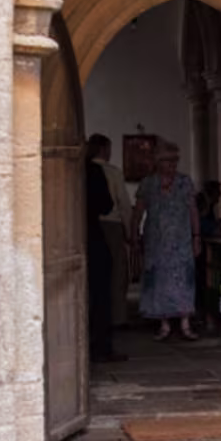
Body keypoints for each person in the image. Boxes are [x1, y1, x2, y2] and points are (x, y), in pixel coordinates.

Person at [132, 140, 200, 340]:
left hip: (181, 241)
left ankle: (185, 323)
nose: (172, 165)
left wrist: (197, 237)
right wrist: (134, 234)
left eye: (175, 160)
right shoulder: (148, 183)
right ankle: (164, 324)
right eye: (167, 160)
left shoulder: (184, 182)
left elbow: (193, 210)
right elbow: (138, 211)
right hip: (156, 241)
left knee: (182, 279)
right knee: (159, 279)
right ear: (157, 162)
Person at [87, 133, 132, 327]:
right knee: (117, 272)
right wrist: (129, 231)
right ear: (104, 149)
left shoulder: (82, 170)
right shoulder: (112, 172)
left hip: (89, 225)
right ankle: (118, 317)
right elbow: (123, 203)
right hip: (111, 224)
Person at [85, 145, 124, 362]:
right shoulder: (94, 172)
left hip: (72, 232)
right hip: (94, 233)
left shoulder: (81, 170)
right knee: (101, 291)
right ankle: (101, 345)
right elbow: (106, 205)